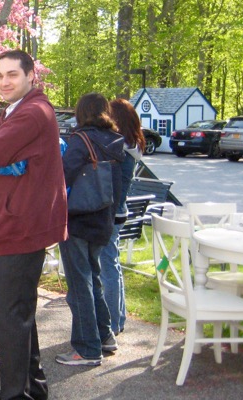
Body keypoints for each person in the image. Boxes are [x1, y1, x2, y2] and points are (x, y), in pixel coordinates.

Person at [0, 50, 67, 400]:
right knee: (19, 314)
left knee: (10, 317)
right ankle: (31, 388)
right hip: (7, 226)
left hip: (18, 229)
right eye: (0, 75)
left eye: (13, 75)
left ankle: (14, 395)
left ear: (31, 76)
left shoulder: (34, 112)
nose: (5, 82)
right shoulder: (16, 111)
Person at [57, 93, 125, 366]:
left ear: (80, 112)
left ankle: (87, 348)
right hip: (103, 218)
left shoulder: (80, 140)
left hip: (77, 219)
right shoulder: (116, 140)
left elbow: (61, 177)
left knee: (79, 284)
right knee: (94, 278)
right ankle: (105, 336)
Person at [101, 98, 146, 336]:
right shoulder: (133, 146)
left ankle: (113, 323)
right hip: (120, 212)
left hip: (112, 213)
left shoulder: (122, 150)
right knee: (113, 265)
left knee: (108, 266)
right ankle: (118, 318)